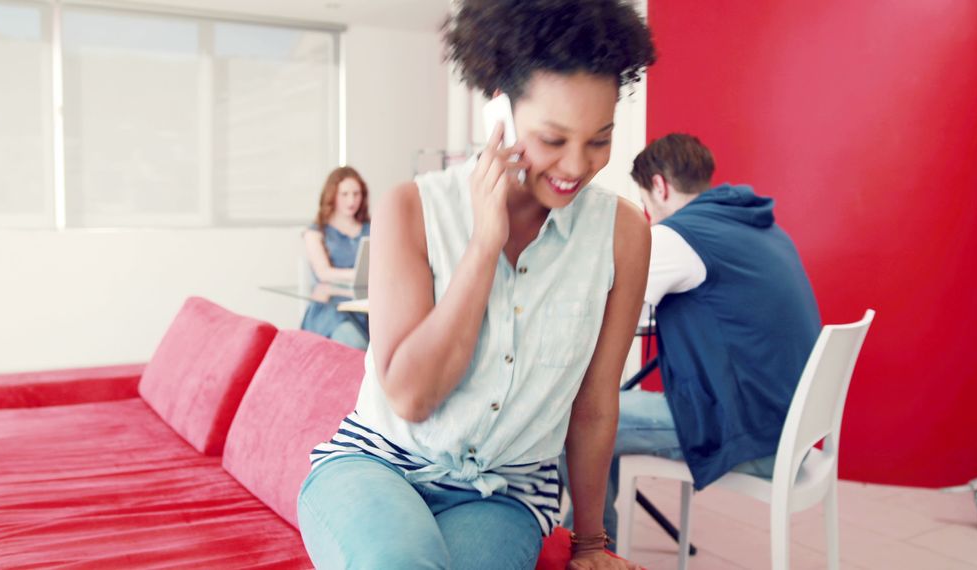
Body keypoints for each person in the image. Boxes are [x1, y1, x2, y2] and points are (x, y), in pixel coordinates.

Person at [296, 1, 656, 569]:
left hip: (503, 495)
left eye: (599, 139)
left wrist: (591, 544)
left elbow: (592, 405)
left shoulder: (623, 235)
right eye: (553, 138)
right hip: (376, 465)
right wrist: (484, 245)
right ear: (501, 115)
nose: (577, 165)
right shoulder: (412, 208)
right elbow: (412, 397)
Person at [596, 133, 822, 545]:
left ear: (659, 187)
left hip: (754, 435)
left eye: (645, 198)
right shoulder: (759, 223)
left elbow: (606, 308)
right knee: (603, 410)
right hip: (790, 429)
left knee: (584, 418)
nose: (647, 210)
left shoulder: (677, 236)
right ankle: (596, 542)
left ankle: (591, 552)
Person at [300, 166, 371, 349]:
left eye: (356, 194)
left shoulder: (371, 229)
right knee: (355, 343)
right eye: (344, 194)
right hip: (330, 311)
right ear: (332, 195)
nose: (351, 200)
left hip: (366, 308)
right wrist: (357, 274)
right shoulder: (316, 233)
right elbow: (324, 273)